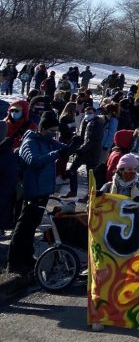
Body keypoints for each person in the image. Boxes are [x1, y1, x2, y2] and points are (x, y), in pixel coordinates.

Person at [6, 117, 80, 275]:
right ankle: (15, 262)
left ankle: (27, 257)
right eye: (51, 131)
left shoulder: (48, 141)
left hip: (43, 190)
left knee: (32, 226)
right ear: (42, 129)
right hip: (32, 191)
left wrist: (74, 145)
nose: (54, 135)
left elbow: (63, 149)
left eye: (55, 132)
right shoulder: (30, 142)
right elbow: (35, 161)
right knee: (23, 228)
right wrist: (56, 153)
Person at [63, 104, 107, 198]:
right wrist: (77, 138)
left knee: (90, 175)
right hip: (85, 151)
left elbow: (93, 140)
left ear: (95, 113)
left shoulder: (96, 124)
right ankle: (73, 191)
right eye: (87, 113)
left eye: (90, 113)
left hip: (91, 152)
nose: (88, 114)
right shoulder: (86, 121)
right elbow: (84, 136)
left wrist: (81, 149)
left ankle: (90, 196)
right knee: (73, 170)